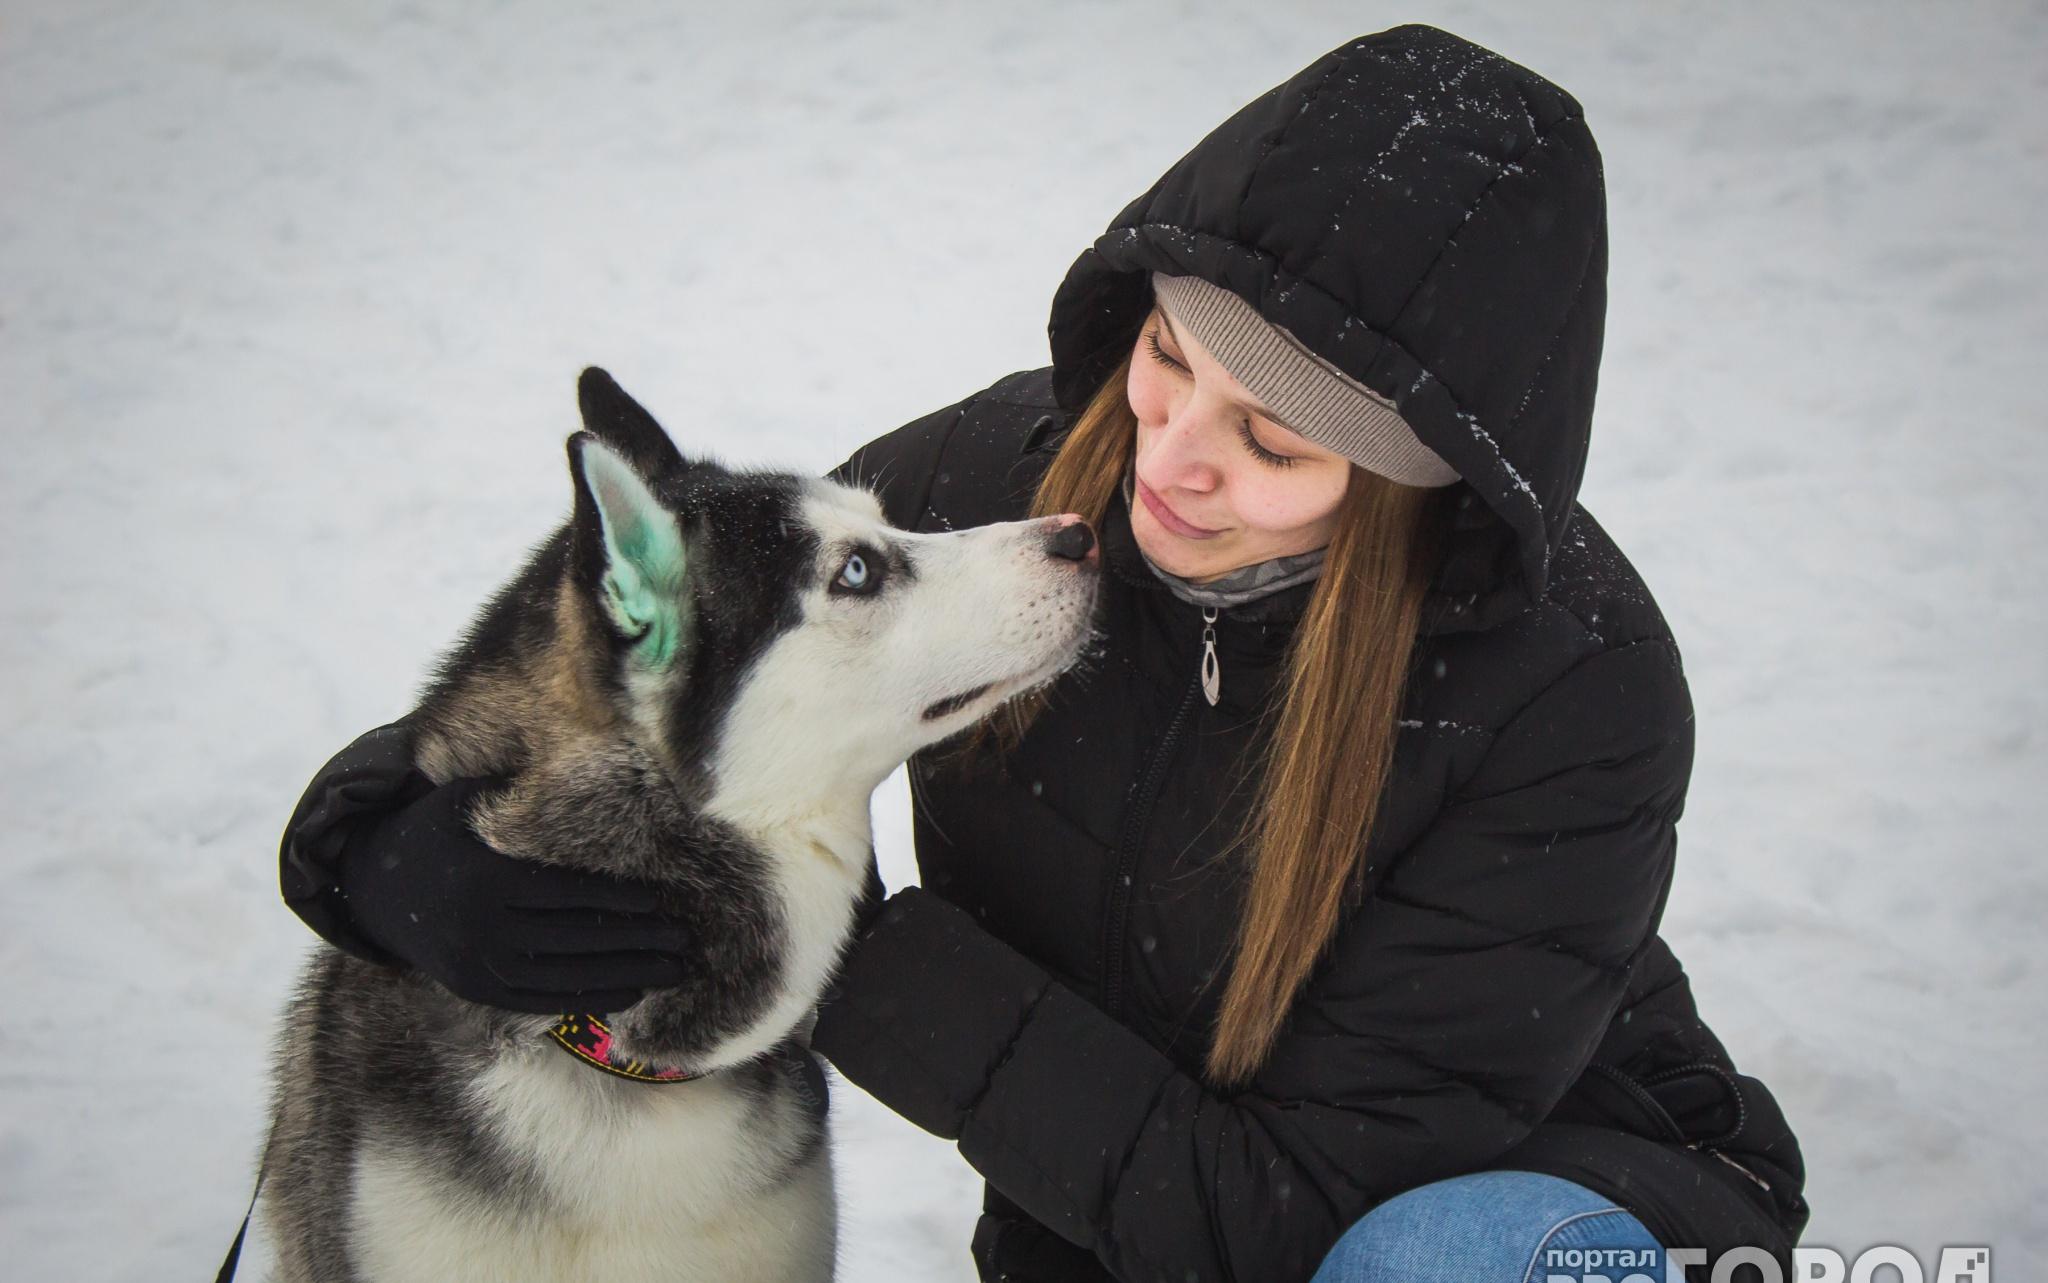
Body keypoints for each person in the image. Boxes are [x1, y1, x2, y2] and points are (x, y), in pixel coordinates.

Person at [277, 23, 1809, 1283]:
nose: (1171, 462)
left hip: (1512, 1210)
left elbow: (1296, 1216)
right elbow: (672, 646)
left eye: (1271, 441)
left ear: (1418, 487)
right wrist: (380, 847)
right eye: (1164, 360)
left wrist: (808, 941)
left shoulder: (1571, 698)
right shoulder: (1001, 491)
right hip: (1105, 1228)